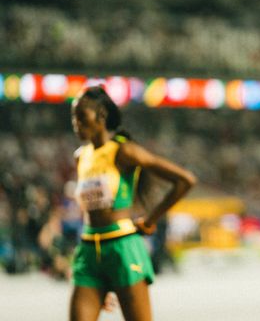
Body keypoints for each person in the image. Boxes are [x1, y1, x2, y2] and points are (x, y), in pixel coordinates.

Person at [69, 86, 196, 321]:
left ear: (101, 116)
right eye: (72, 117)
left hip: (122, 249)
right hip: (88, 251)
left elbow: (184, 180)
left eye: (80, 115)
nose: (75, 122)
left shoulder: (124, 151)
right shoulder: (81, 157)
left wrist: (151, 220)